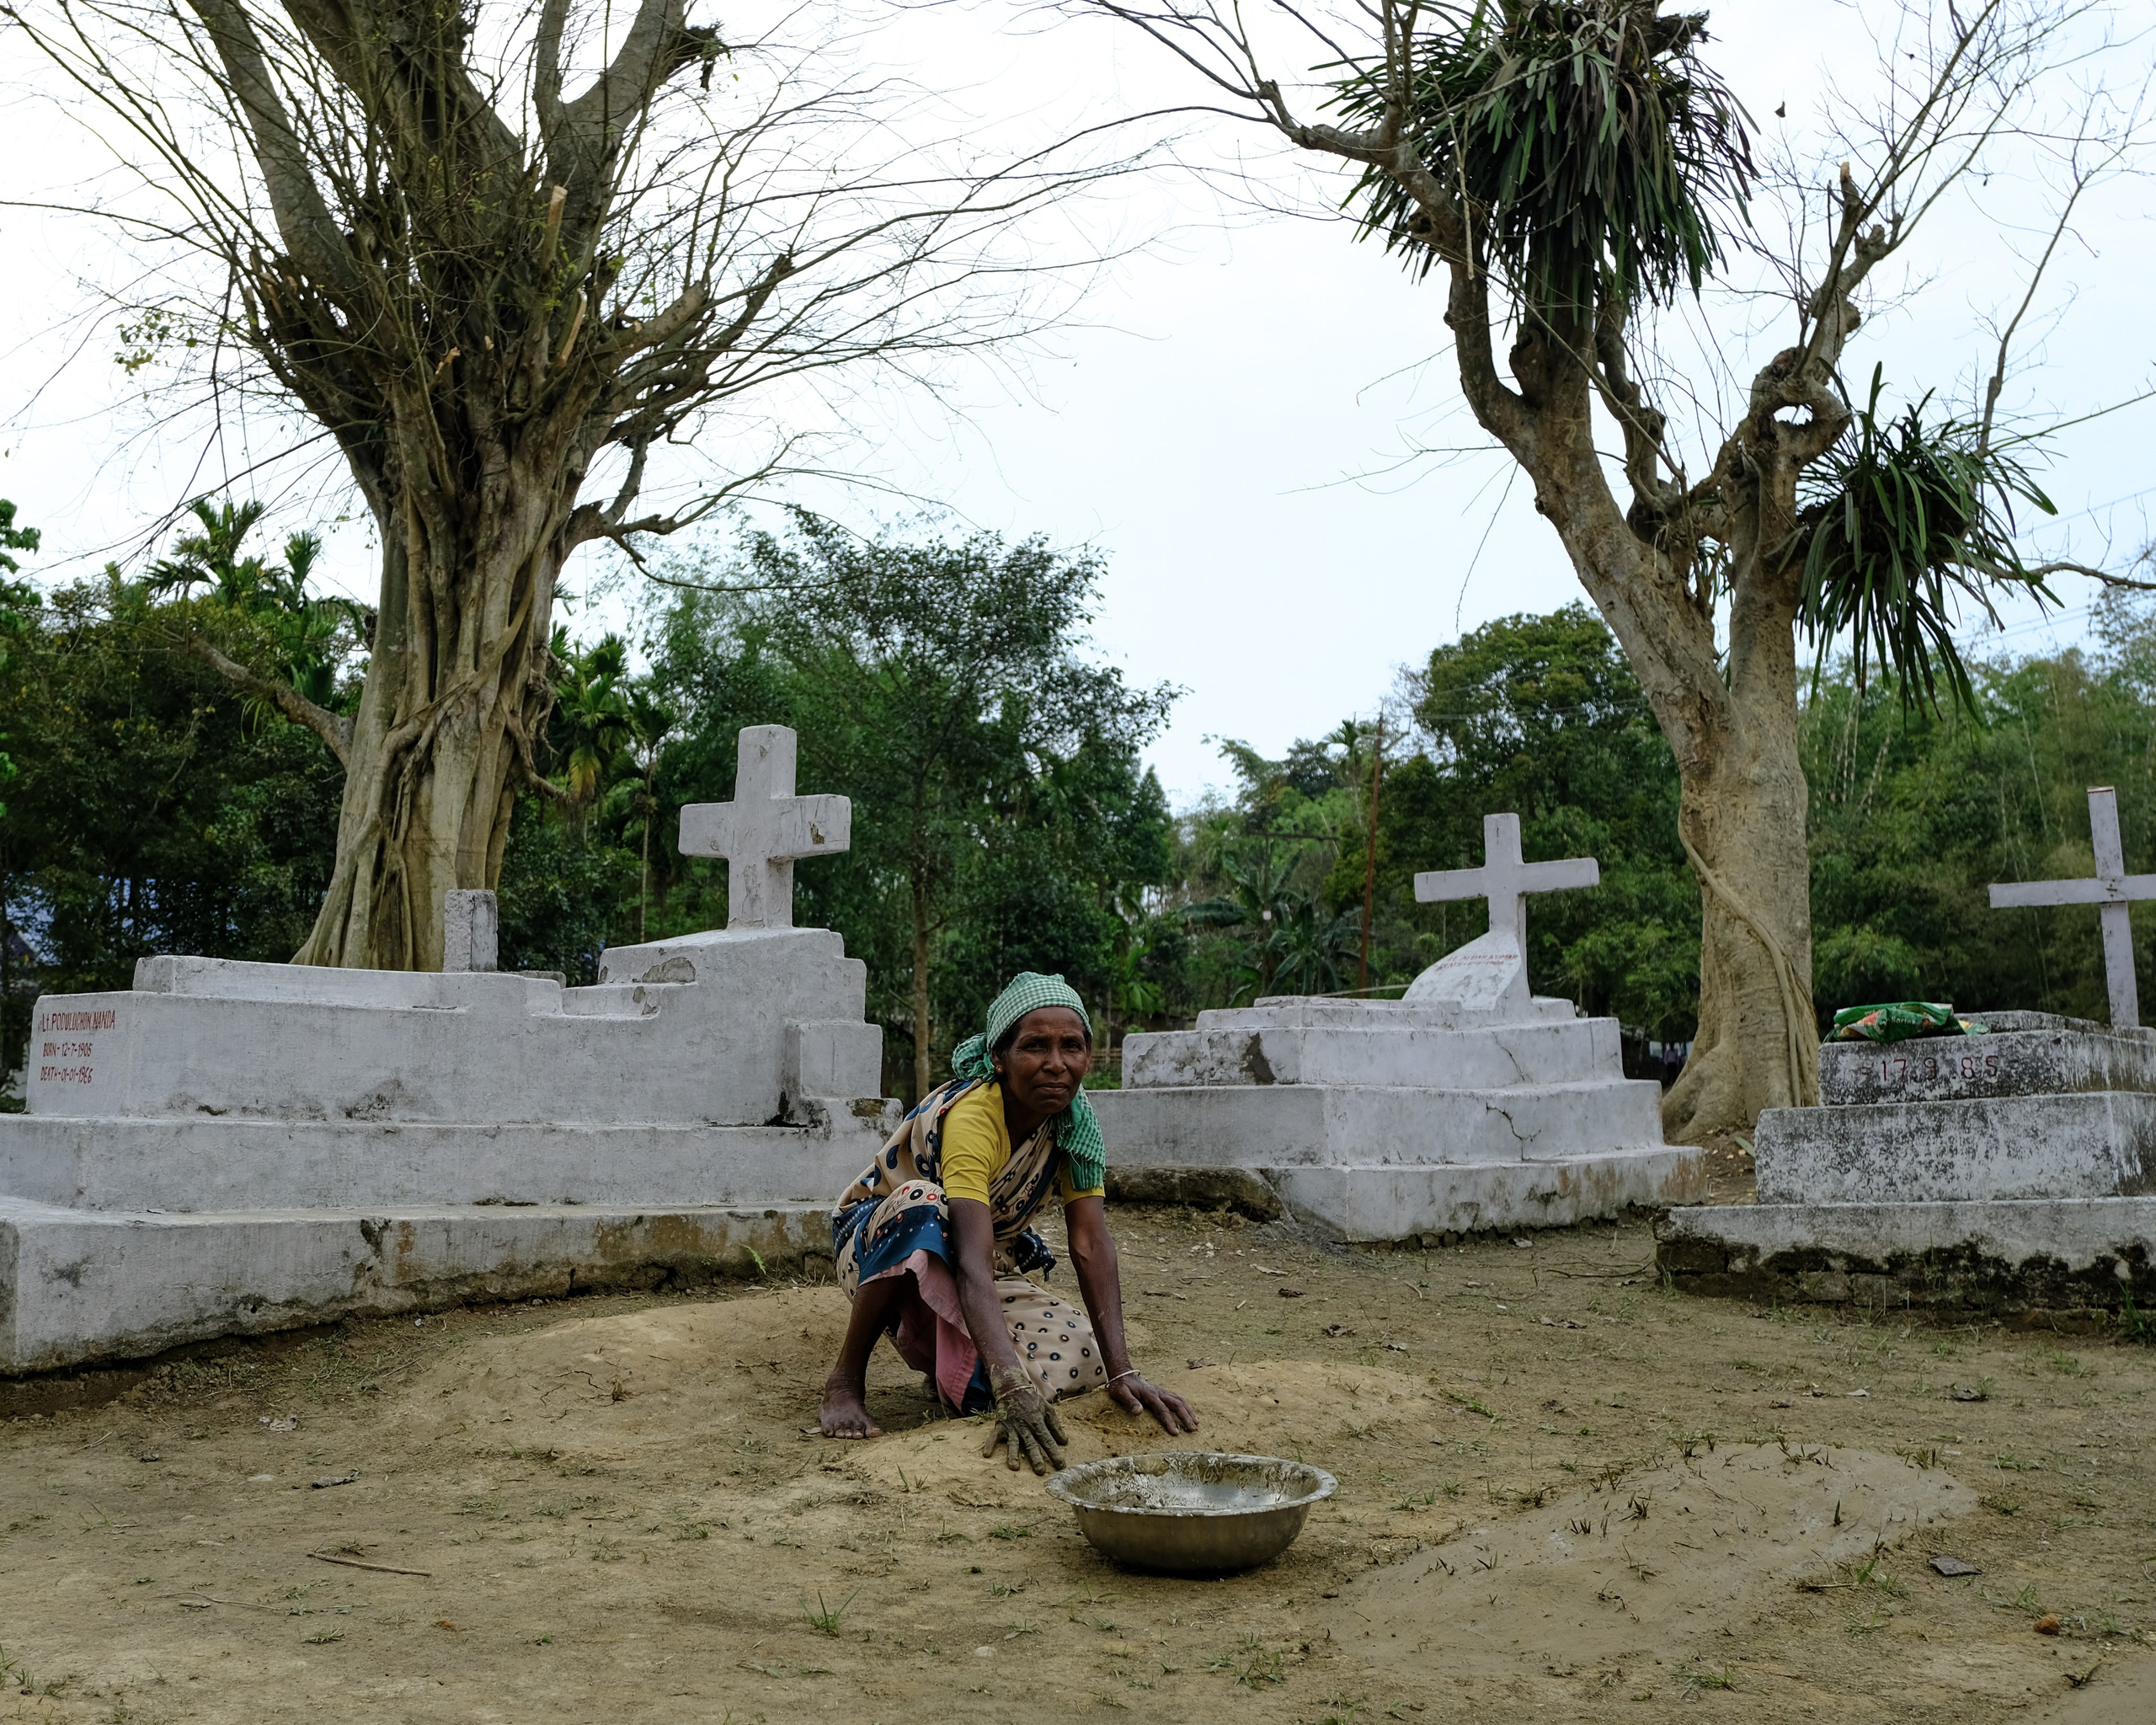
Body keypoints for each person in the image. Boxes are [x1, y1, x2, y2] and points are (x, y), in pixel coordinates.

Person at [819, 972, 1198, 1471]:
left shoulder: (1077, 1127)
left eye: (1072, 1046)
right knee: (922, 1204)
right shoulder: (976, 1115)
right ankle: (845, 1380)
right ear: (999, 1057)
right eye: (1035, 1046)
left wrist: (1122, 1372)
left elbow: (1090, 1243)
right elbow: (973, 1261)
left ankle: (945, 1365)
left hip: (970, 1256)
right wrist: (1010, 1383)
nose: (1056, 1064)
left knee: (1082, 1365)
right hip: (882, 1246)